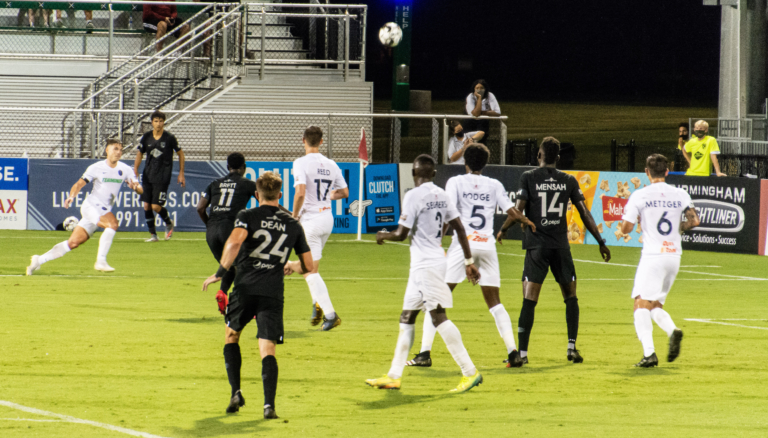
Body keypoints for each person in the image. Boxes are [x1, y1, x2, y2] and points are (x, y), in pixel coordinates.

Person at [407, 144, 536, 369]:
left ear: (465, 161)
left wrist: (438, 241)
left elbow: (449, 214)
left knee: (435, 300)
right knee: (495, 303)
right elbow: (512, 212)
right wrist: (524, 220)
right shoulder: (494, 184)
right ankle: (513, 352)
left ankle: (424, 353)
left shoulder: (455, 182)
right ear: (484, 163)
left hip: (463, 245)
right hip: (487, 246)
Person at [366, 154, 483, 393]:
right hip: (428, 263)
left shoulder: (413, 195)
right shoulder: (442, 195)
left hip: (426, 266)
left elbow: (400, 233)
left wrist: (382, 235)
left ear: (413, 173)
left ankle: (470, 372)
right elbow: (460, 228)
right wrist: (468, 261)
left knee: (438, 316)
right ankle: (394, 376)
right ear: (434, 174)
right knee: (407, 316)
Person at [202, 171, 313, 419]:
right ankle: (269, 406)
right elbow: (309, 265)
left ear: (256, 195)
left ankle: (235, 393)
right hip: (272, 292)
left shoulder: (247, 216)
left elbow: (233, 243)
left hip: (244, 287)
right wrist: (293, 266)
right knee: (268, 348)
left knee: (231, 336)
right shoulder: (293, 224)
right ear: (280, 195)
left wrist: (220, 273)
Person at [497, 137, 611, 365]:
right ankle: (571, 348)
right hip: (560, 247)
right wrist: (600, 240)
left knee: (529, 299)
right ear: (558, 158)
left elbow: (517, 210)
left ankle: (523, 354)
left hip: (537, 247)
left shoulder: (528, 177)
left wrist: (503, 229)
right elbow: (584, 212)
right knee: (571, 297)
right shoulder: (568, 180)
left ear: (539, 155)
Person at [619, 154, 700, 367]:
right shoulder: (680, 193)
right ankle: (672, 330)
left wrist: (631, 221)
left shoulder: (640, 195)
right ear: (667, 171)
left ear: (647, 172)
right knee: (654, 304)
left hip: (653, 256)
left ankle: (649, 354)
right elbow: (694, 221)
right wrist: (677, 228)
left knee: (639, 304)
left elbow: (625, 228)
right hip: (674, 256)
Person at [26, 139, 143, 275]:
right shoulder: (96, 167)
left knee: (73, 243)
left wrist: (136, 187)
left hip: (102, 210)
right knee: (112, 224)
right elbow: (79, 184)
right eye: (115, 149)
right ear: (107, 150)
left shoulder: (125, 169)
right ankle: (101, 261)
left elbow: (140, 188)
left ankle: (38, 260)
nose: (119, 152)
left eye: (121, 149)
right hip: (91, 206)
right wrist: (71, 196)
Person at [283, 126, 348, 331]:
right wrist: (327, 197)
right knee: (312, 269)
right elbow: (344, 192)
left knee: (308, 270)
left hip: (310, 221)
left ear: (303, 140)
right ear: (321, 141)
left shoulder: (300, 163)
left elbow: (300, 192)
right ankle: (316, 305)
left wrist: (294, 217)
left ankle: (330, 315)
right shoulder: (331, 164)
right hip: (327, 218)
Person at [197, 152, 257, 315]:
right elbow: (267, 202)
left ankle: (222, 293)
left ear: (228, 167)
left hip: (211, 233)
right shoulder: (247, 184)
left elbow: (200, 208)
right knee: (246, 267)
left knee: (228, 266)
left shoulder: (214, 184)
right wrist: (289, 215)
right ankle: (247, 307)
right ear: (244, 168)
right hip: (230, 230)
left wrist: (210, 225)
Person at [133, 110, 185, 242]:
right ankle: (153, 235)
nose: (158, 123)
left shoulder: (169, 138)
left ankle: (168, 223)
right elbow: (140, 153)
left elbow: (180, 154)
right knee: (146, 205)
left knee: (155, 206)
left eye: (161, 121)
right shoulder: (146, 137)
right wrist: (135, 168)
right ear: (152, 123)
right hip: (148, 175)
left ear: (164, 122)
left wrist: (181, 173)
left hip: (162, 176)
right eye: (156, 121)